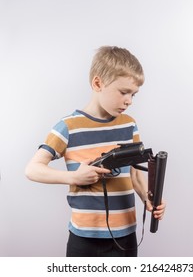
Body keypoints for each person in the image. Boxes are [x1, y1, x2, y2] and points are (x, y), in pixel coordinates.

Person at [25, 46, 166, 257]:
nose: (129, 100)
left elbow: (135, 174)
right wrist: (74, 176)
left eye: (133, 94)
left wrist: (147, 197)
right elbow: (32, 169)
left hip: (126, 234)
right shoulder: (68, 126)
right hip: (84, 238)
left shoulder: (129, 125)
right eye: (123, 92)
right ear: (98, 83)